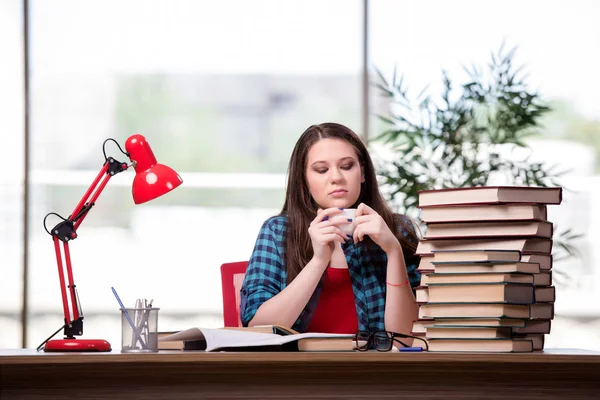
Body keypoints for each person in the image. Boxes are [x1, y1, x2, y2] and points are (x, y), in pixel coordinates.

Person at [239, 122, 420, 336]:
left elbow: (407, 338)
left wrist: (393, 251)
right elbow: (258, 328)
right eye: (321, 170)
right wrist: (318, 261)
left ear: (362, 173)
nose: (336, 178)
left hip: (374, 368)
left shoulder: (398, 229)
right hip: (297, 368)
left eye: (346, 166)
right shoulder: (277, 232)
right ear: (304, 180)